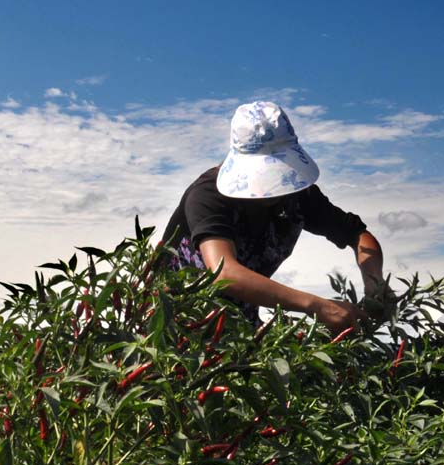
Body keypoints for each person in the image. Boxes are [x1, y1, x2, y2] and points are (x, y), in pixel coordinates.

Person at [162, 101, 391, 332]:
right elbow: (223, 271)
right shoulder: (209, 195)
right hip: (177, 325)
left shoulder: (298, 195)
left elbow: (357, 235)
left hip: (237, 325)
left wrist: (375, 283)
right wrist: (318, 306)